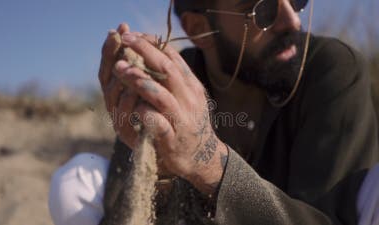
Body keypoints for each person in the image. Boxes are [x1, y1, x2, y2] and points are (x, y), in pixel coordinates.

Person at [48, 0, 379, 224]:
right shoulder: (174, 81)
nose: (290, 20)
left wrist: (207, 162)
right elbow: (124, 212)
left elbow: (327, 219)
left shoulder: (333, 68)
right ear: (198, 29)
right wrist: (158, 167)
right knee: (75, 184)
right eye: (262, 9)